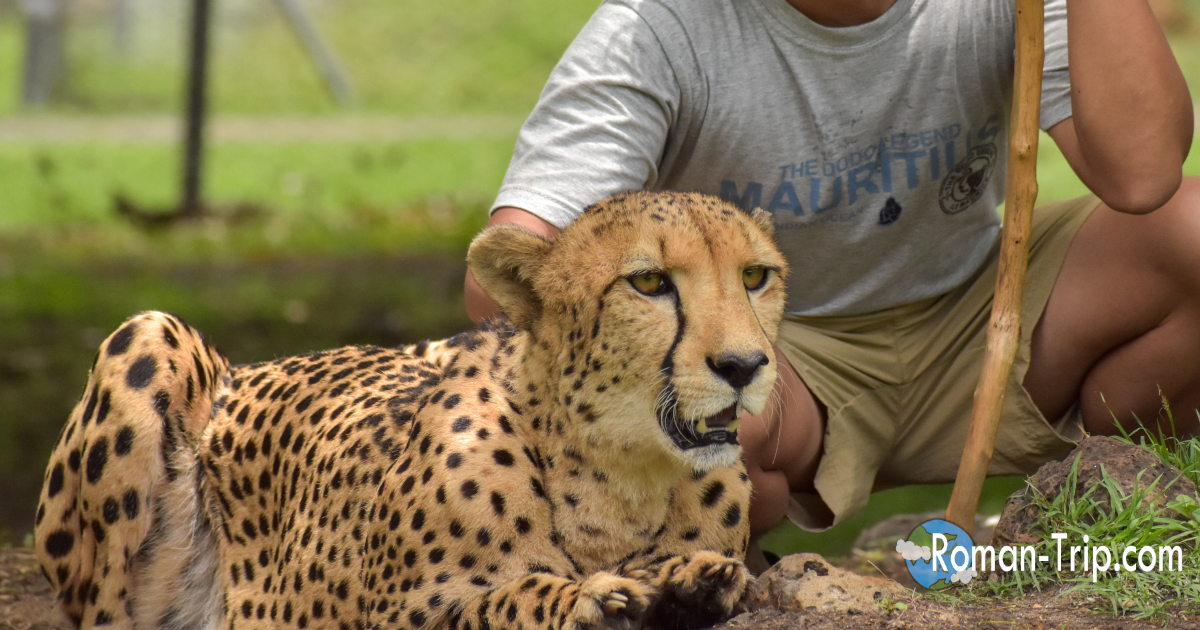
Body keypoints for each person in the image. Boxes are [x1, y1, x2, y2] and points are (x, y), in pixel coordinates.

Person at [462, 0, 1197, 573]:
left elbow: (1142, 174)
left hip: (987, 308)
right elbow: (506, 282)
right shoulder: (657, 30)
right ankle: (728, 577)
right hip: (779, 359)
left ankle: (1087, 516)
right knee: (701, 437)